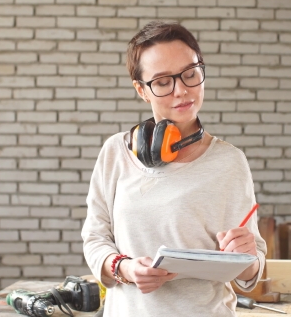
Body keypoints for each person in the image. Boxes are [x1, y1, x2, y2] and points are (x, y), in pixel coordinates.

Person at [81, 21, 267, 317]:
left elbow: (249, 272)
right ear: (142, 90)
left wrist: (247, 257)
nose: (181, 90)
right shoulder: (115, 153)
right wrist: (125, 268)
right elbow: (95, 238)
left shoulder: (230, 162)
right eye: (163, 82)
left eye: (190, 74)